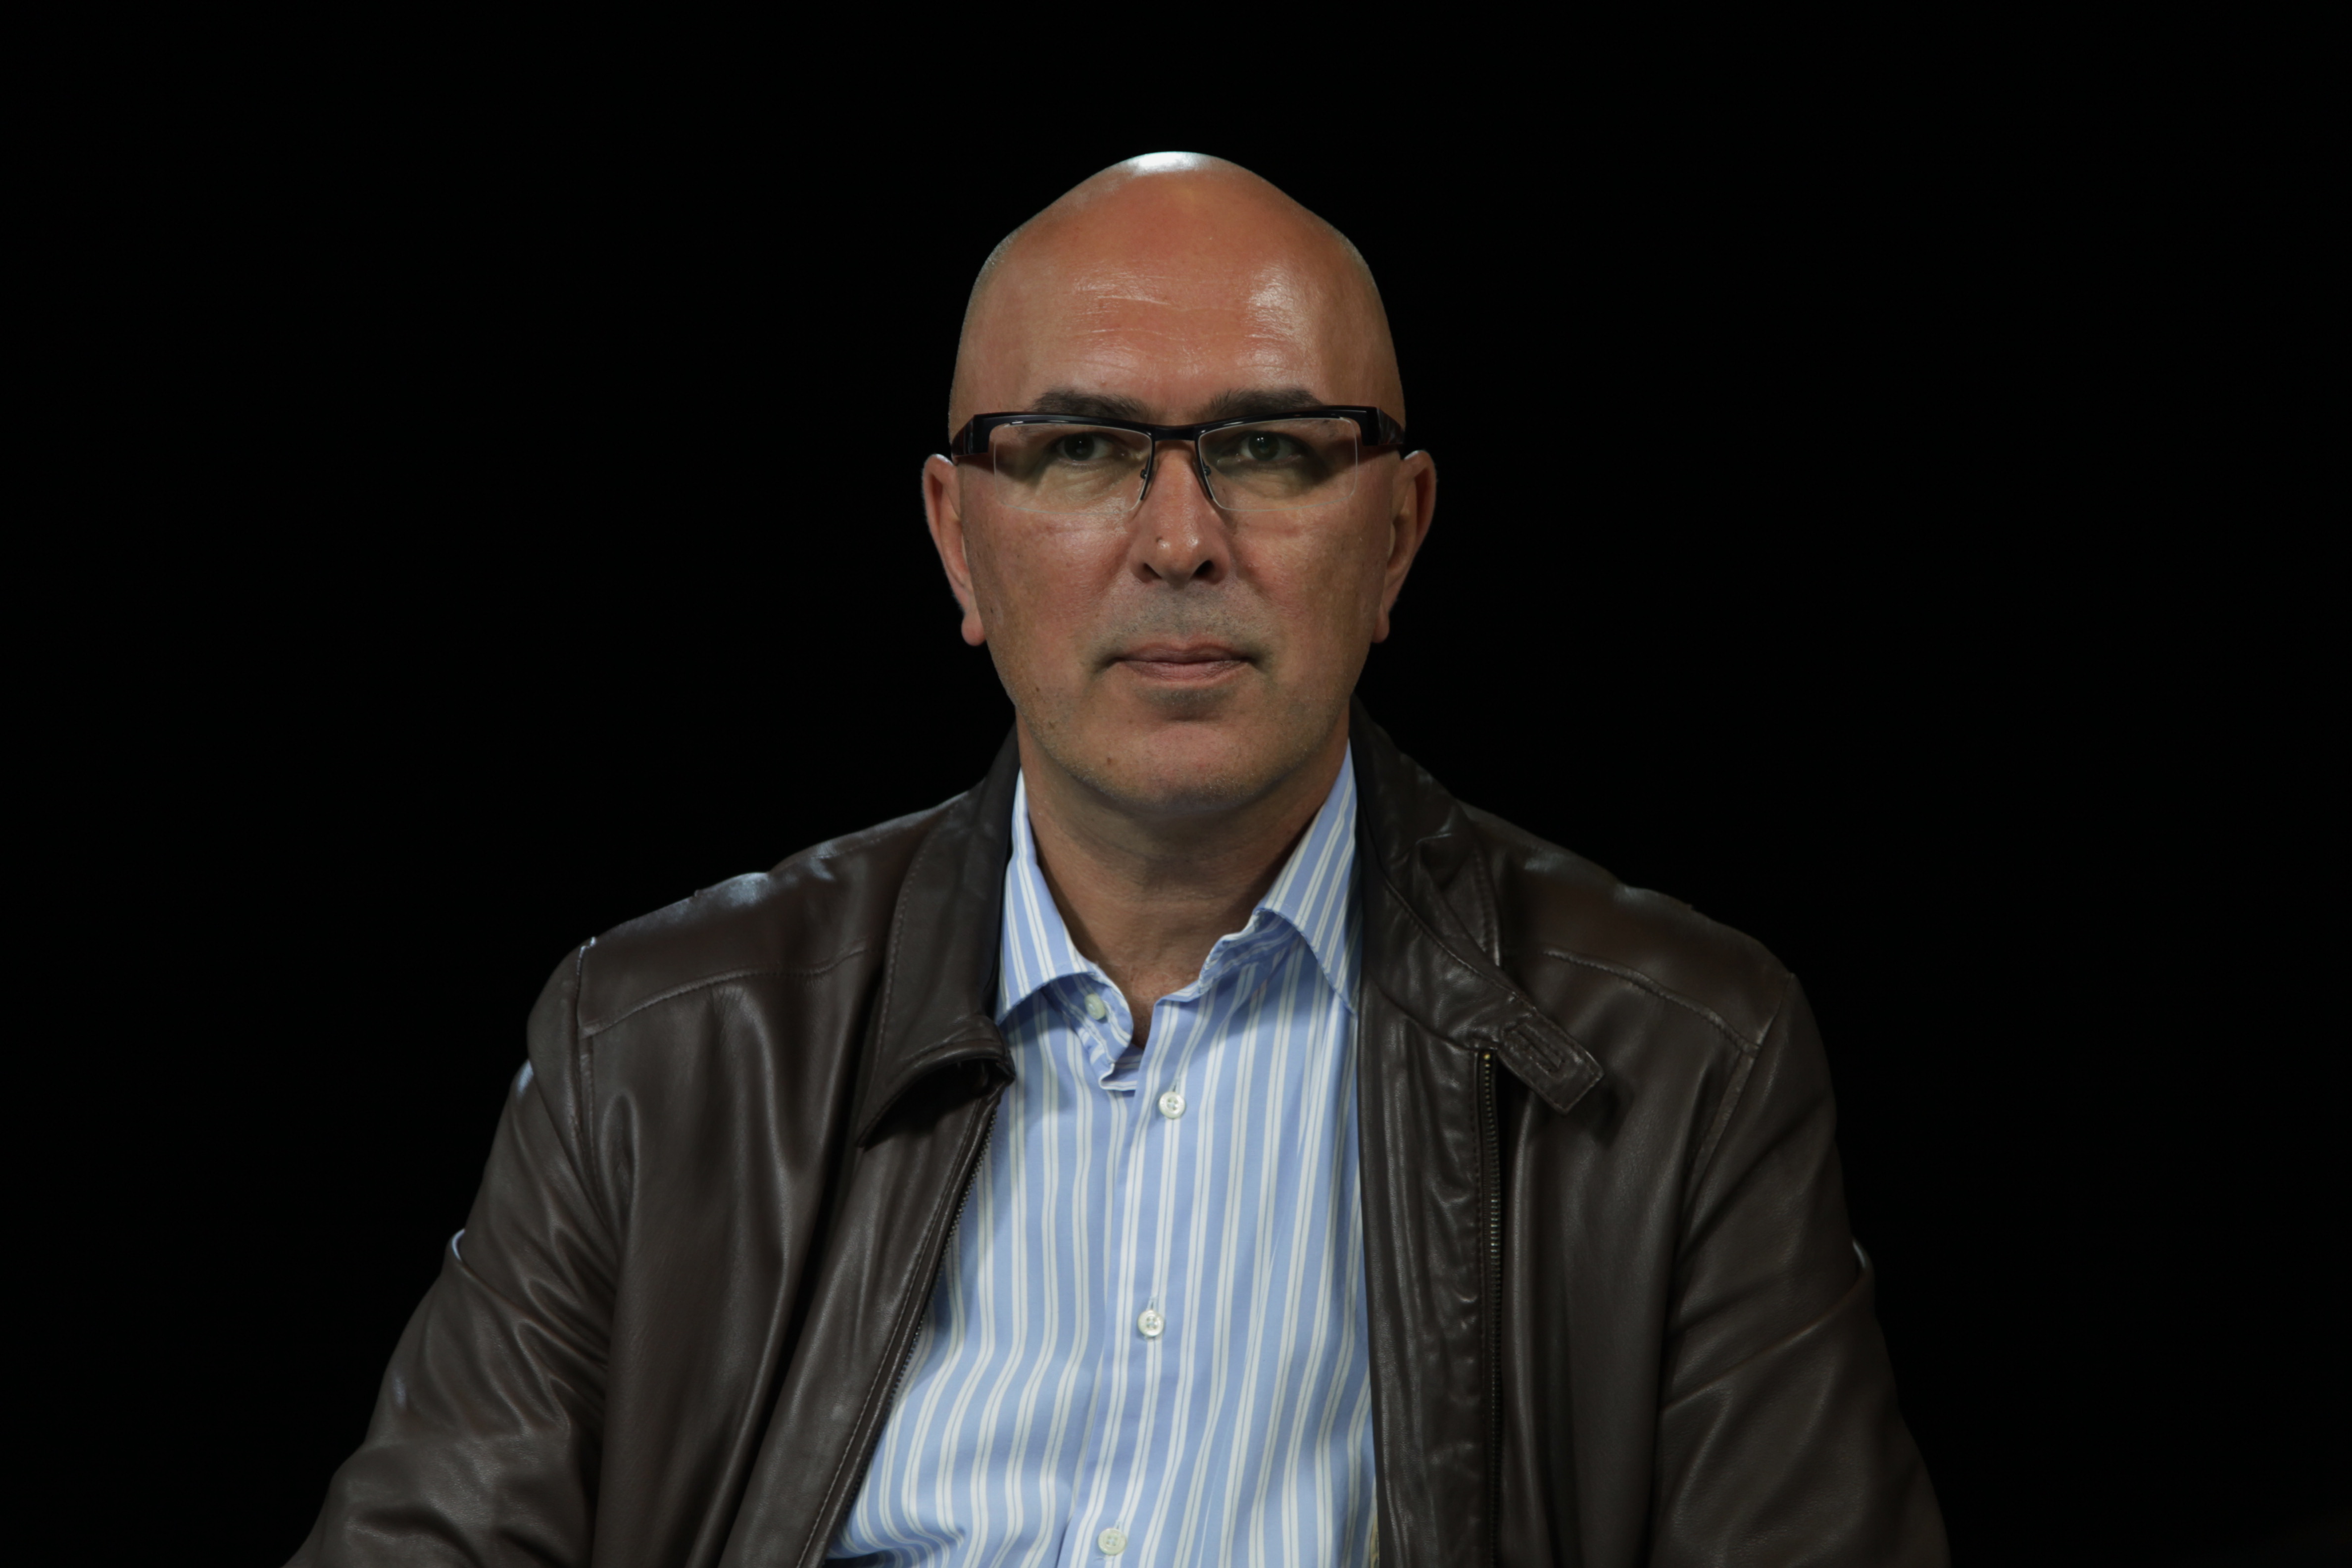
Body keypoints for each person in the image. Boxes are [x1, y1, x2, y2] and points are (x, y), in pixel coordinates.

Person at [294, 152, 1947, 1567]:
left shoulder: (1688, 1058)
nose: (1178, 540)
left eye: (1274, 448)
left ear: (1398, 536)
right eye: (1081, 447)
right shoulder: (655, 1046)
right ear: (960, 540)